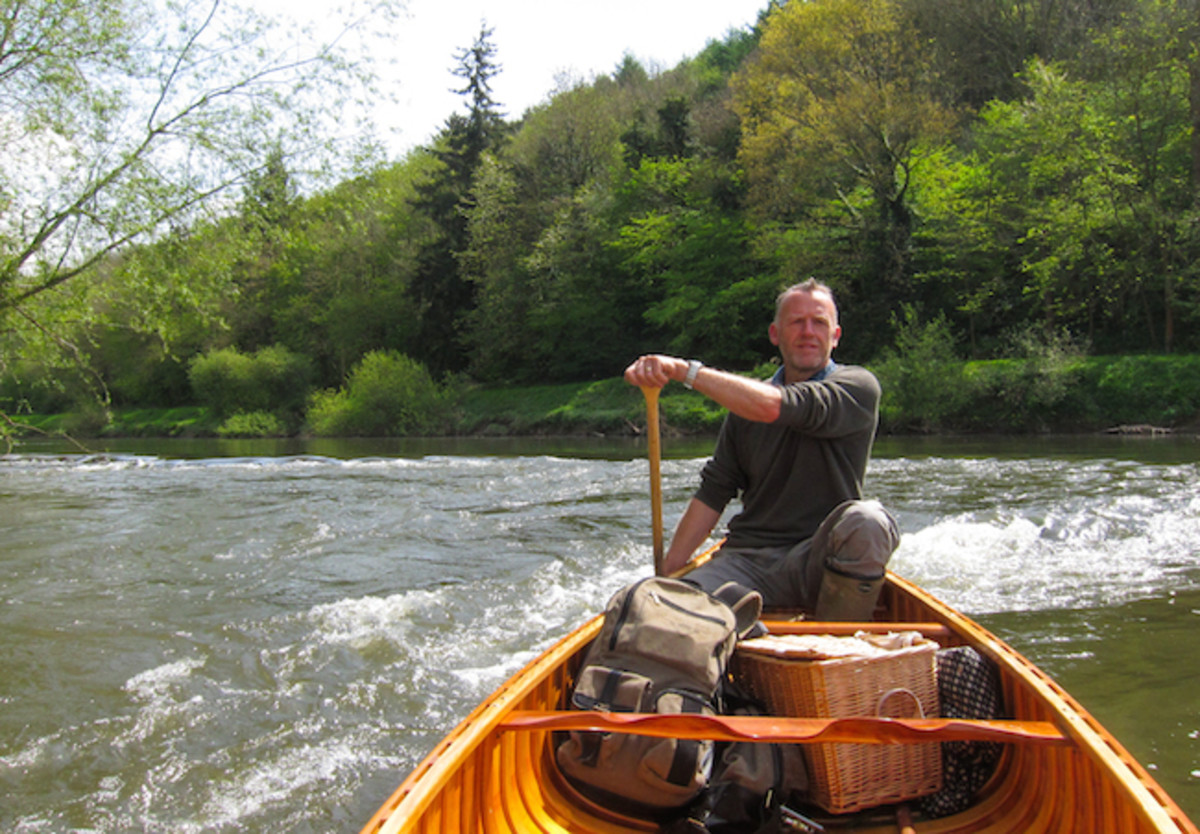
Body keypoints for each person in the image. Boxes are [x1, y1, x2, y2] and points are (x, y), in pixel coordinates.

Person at [623, 278, 899, 620]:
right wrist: (667, 576)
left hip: (819, 562)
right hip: (748, 561)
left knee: (869, 521)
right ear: (775, 334)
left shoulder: (858, 388)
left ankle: (840, 644)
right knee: (665, 612)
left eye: (819, 323)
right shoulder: (744, 408)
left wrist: (684, 371)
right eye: (796, 322)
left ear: (836, 336)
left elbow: (776, 406)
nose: (808, 332)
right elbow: (713, 493)